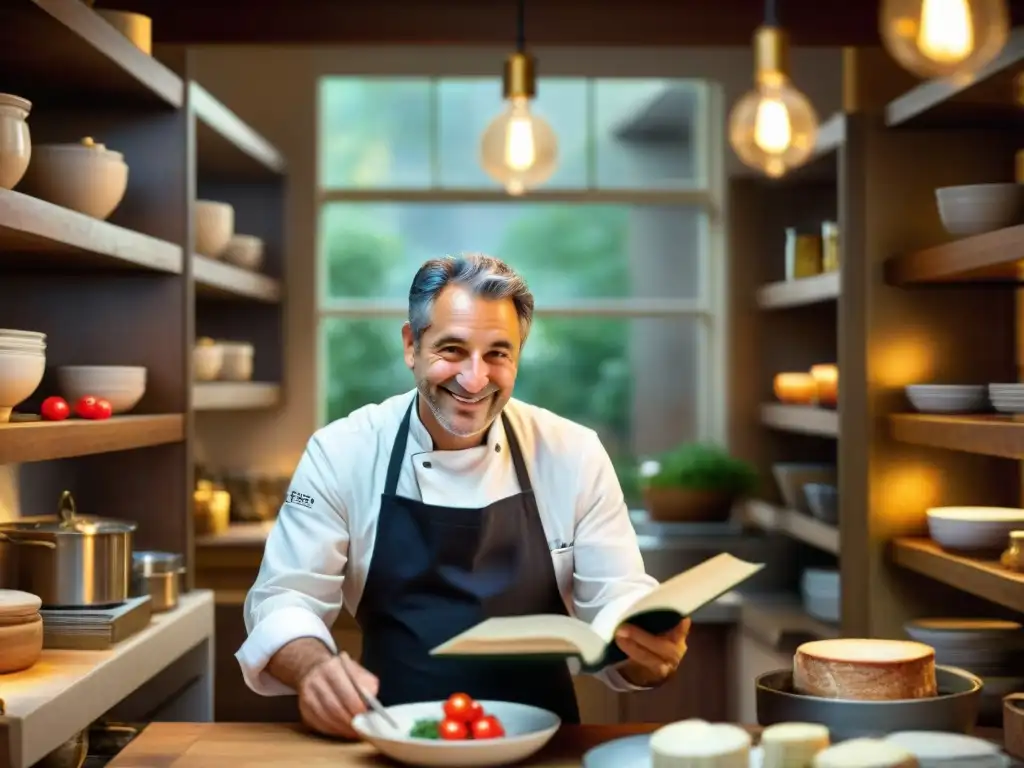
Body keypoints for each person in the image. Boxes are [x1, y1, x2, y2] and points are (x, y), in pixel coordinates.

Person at [235, 253, 691, 738]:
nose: (474, 380)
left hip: (545, 748)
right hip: (393, 741)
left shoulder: (572, 453)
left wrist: (648, 650)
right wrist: (312, 668)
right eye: (452, 349)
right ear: (412, 345)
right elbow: (285, 596)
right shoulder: (343, 451)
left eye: (498, 353)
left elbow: (616, 596)